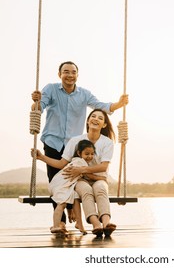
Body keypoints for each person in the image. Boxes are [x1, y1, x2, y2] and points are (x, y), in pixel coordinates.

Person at [31, 61, 128, 228]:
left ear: (77, 75)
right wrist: (36, 101)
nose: (70, 75)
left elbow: (101, 106)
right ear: (59, 74)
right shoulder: (51, 89)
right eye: (66, 72)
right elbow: (38, 108)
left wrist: (119, 104)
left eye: (73, 72)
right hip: (52, 141)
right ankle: (60, 223)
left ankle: (74, 212)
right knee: (57, 182)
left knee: (75, 179)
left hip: (73, 144)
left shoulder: (84, 94)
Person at [33, 109, 117, 237]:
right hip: (80, 179)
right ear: (88, 121)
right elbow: (62, 163)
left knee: (100, 189)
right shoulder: (75, 141)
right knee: (86, 191)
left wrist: (82, 169)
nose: (96, 119)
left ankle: (106, 224)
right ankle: (96, 225)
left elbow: (103, 167)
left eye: (100, 118)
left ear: (104, 125)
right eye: (93, 116)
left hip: (99, 178)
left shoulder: (107, 142)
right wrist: (41, 157)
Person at [47, 139, 96, 235]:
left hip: (64, 184)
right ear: (79, 153)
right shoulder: (81, 163)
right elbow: (88, 176)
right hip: (60, 185)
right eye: (87, 154)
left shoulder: (77, 161)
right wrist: (101, 178)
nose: (90, 156)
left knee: (76, 197)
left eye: (92, 154)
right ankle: (56, 225)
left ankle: (79, 224)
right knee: (62, 204)